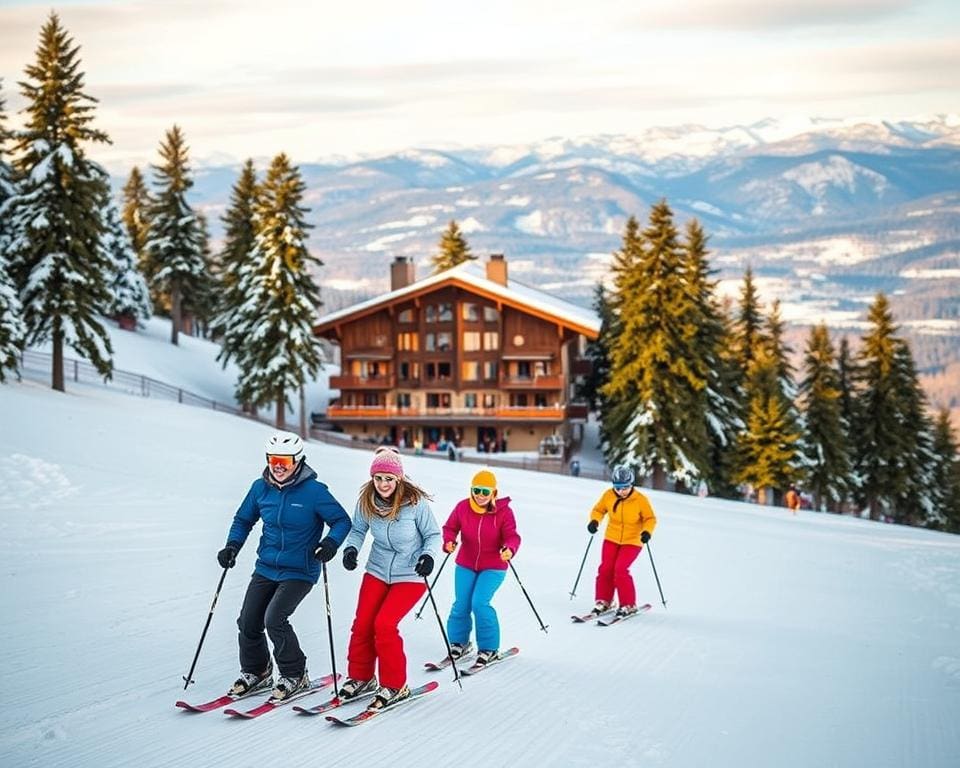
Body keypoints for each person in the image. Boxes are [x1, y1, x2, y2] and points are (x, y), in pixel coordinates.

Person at [217, 431, 351, 701]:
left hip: (300, 570)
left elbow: (341, 521)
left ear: (298, 461)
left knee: (275, 619)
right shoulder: (259, 488)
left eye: (285, 461)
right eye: (273, 459)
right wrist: (232, 545)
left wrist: (331, 544)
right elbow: (244, 519)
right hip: (266, 566)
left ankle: (295, 674)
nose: (278, 466)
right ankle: (257, 671)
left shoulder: (314, 491)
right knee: (248, 621)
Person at [338, 446, 441, 710]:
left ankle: (395, 685)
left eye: (388, 478)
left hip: (410, 573)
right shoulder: (366, 501)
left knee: (384, 625)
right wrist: (351, 548)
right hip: (377, 569)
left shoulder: (415, 504)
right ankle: (361, 678)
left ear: (399, 479)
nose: (383, 484)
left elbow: (433, 535)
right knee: (362, 624)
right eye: (378, 478)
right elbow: (358, 530)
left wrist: (428, 556)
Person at [441, 469, 521, 667]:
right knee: (461, 603)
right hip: (466, 563)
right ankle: (459, 643)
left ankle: (489, 648)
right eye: (476, 490)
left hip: (494, 565)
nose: (480, 495)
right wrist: (449, 541)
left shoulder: (504, 512)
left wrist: (509, 549)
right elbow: (449, 528)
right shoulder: (463, 507)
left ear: (494, 493)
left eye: (485, 491)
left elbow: (512, 536)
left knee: (480, 603)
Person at [586, 464, 657, 618]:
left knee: (620, 569)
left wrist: (646, 532)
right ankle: (604, 601)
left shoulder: (640, 500)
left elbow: (650, 518)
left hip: (632, 540)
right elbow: (599, 510)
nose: (621, 491)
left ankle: (628, 605)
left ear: (631, 485)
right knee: (606, 568)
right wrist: (594, 521)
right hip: (612, 537)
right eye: (617, 487)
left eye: (624, 487)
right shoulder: (608, 495)